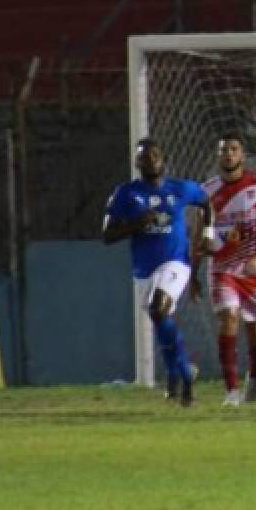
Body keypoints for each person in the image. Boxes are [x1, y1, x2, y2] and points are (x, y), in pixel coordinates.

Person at [103, 138, 213, 406]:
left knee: (158, 308)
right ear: (137, 162)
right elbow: (107, 235)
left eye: (155, 155)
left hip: (177, 262)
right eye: (144, 156)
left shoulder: (181, 188)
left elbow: (206, 202)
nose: (151, 159)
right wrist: (135, 224)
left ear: (163, 159)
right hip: (144, 270)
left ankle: (186, 376)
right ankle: (176, 377)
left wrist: (207, 234)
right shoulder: (125, 194)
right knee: (160, 320)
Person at [194, 131, 256, 406]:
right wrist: (195, 269)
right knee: (229, 319)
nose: (228, 154)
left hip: (253, 269)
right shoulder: (206, 191)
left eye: (233, 149)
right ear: (218, 156)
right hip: (222, 268)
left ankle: (253, 380)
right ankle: (231, 390)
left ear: (243, 155)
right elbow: (200, 234)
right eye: (223, 150)